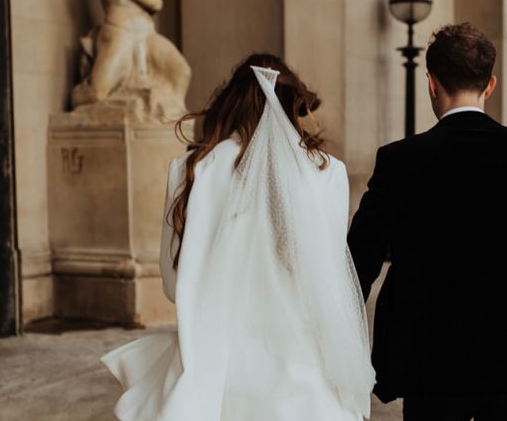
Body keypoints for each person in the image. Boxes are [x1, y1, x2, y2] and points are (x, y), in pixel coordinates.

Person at [102, 54, 375, 420]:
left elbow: (172, 284)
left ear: (228, 102)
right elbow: (328, 280)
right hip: (301, 370)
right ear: (292, 105)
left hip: (214, 367)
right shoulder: (328, 172)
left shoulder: (190, 170)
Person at [347, 23, 507, 420]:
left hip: (432, 356)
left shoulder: (399, 160)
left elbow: (357, 267)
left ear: (431, 83)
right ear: (491, 84)